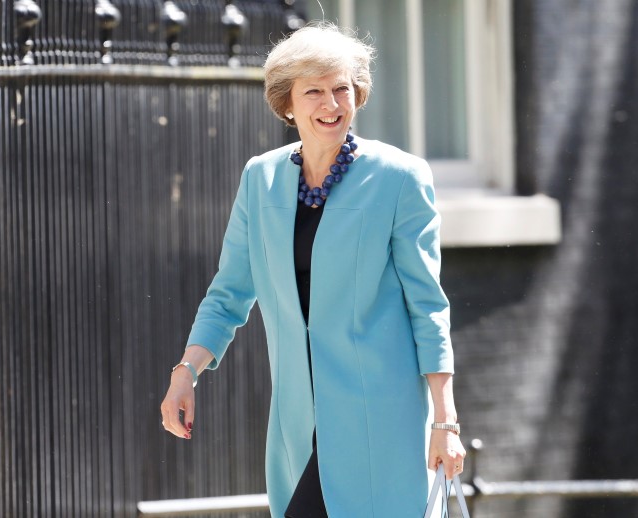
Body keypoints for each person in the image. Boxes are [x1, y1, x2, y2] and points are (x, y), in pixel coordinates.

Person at [160, 22, 465, 517]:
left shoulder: (400, 178)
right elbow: (230, 291)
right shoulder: (260, 179)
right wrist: (186, 373)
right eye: (315, 92)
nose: (332, 105)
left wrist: (445, 421)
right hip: (297, 424)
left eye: (342, 89)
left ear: (358, 94)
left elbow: (427, 305)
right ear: (288, 103)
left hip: (380, 421)